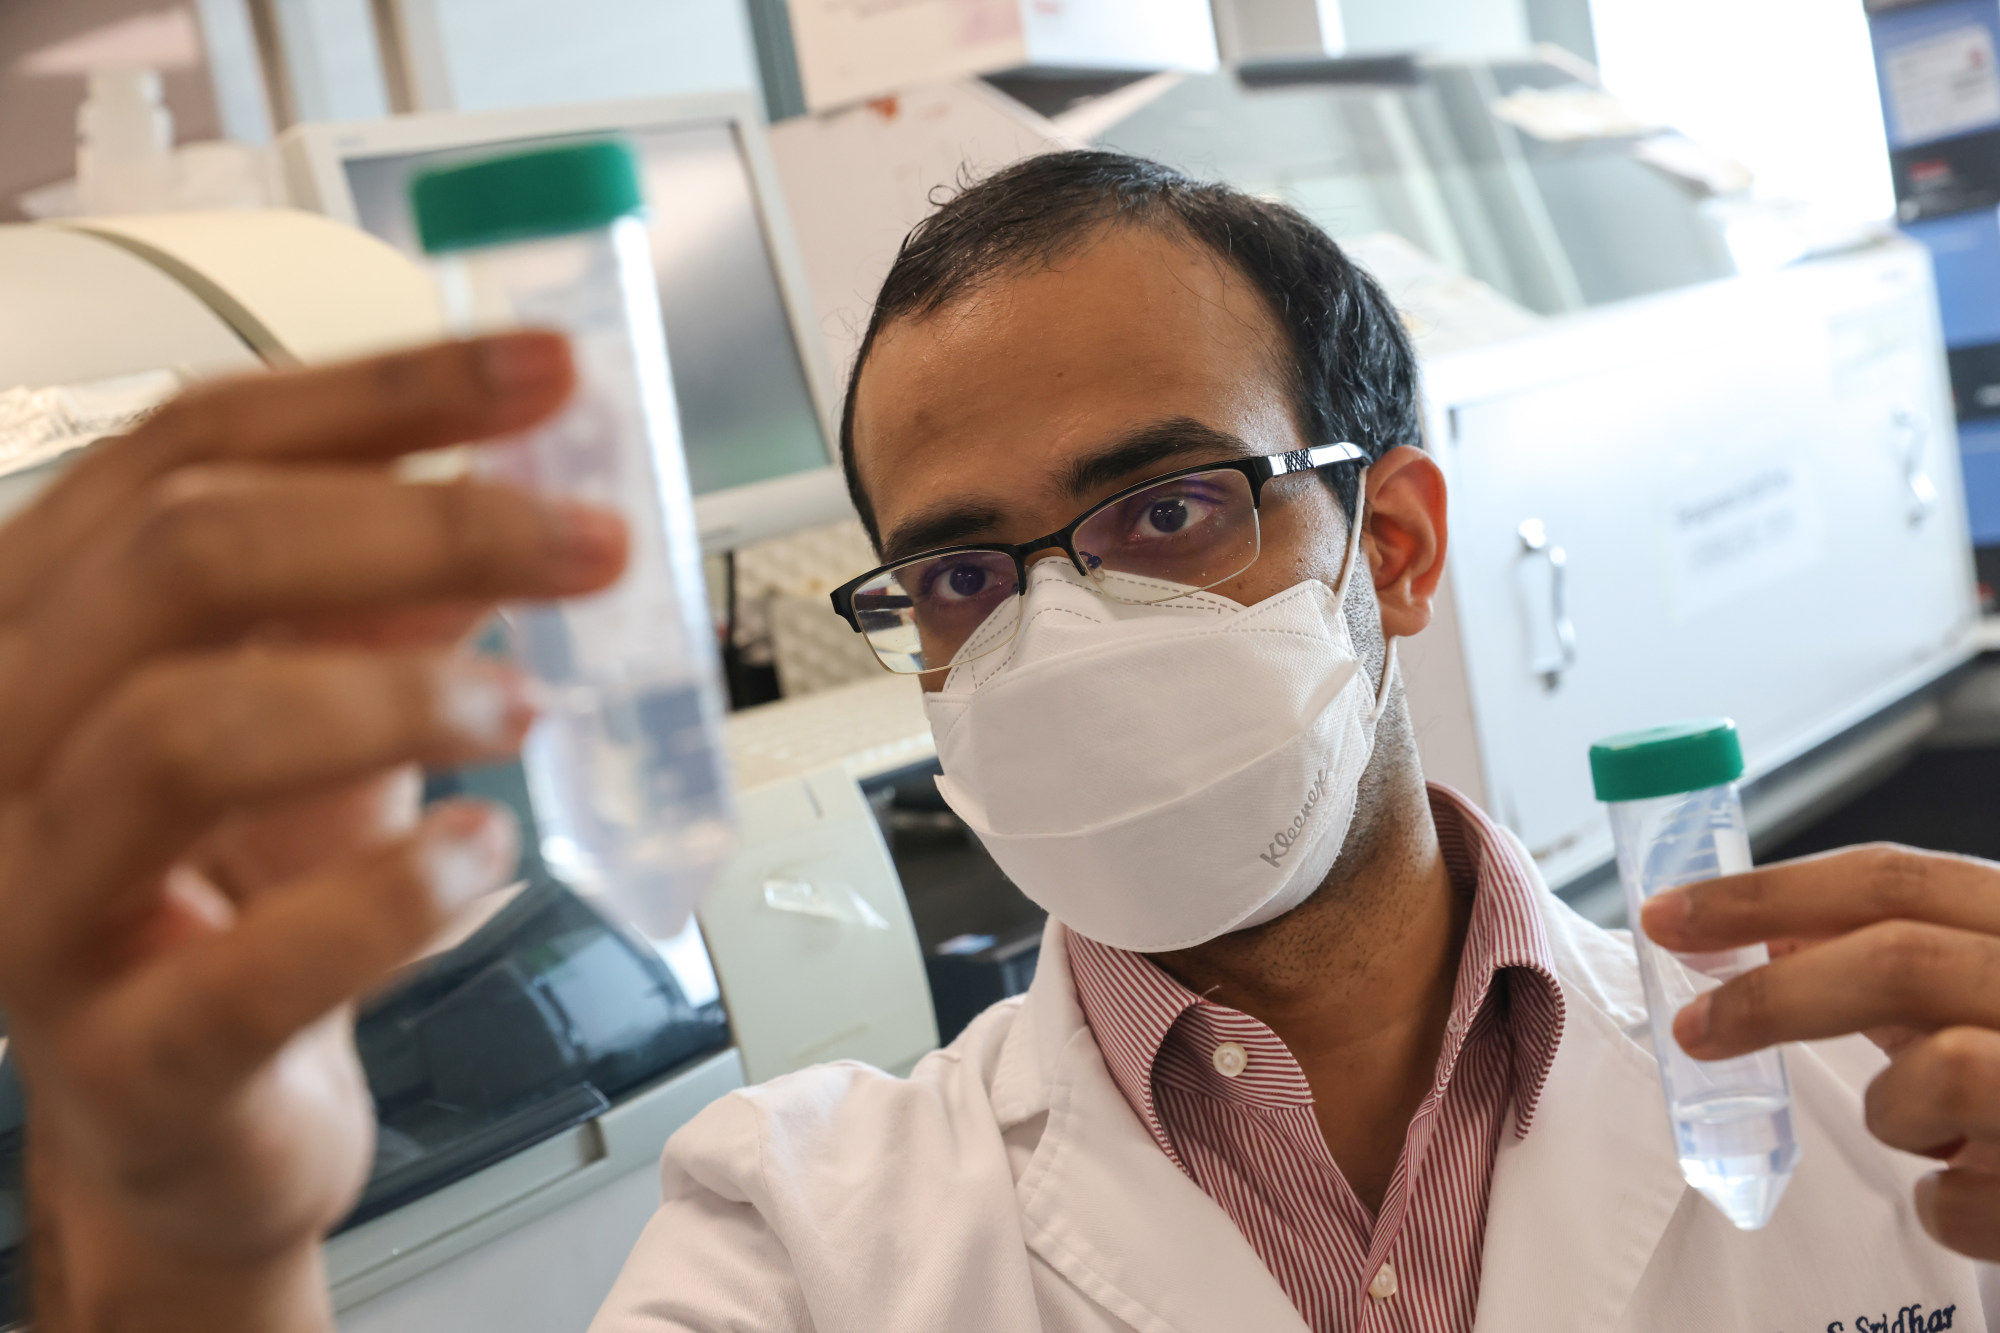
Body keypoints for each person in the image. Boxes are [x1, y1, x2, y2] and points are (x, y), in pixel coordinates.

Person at [5, 150, 2000, 1333]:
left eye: (1162, 511)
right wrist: (187, 1240)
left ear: (1389, 543)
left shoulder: (1880, 1092)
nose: (1061, 627)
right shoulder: (811, 1238)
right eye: (962, 576)